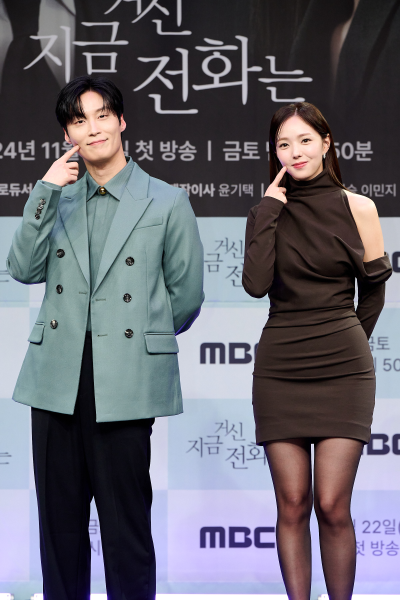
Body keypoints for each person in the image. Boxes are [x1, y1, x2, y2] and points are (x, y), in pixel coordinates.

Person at [7, 75, 204, 600]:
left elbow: (186, 297)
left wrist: (133, 339)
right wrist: (45, 189)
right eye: (78, 120)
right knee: (59, 530)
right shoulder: (57, 198)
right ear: (67, 135)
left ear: (121, 121)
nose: (92, 129)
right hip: (56, 378)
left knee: (126, 528)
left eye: (101, 116)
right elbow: (22, 268)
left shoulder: (165, 200)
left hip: (125, 379)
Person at [242, 102, 391, 599]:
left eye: (305, 140)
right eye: (284, 144)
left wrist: (347, 340)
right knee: (291, 503)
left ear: (326, 143)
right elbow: (255, 285)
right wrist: (268, 209)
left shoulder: (359, 207)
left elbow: (374, 292)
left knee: (331, 504)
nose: (295, 152)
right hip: (280, 368)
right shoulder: (266, 212)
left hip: (344, 370)